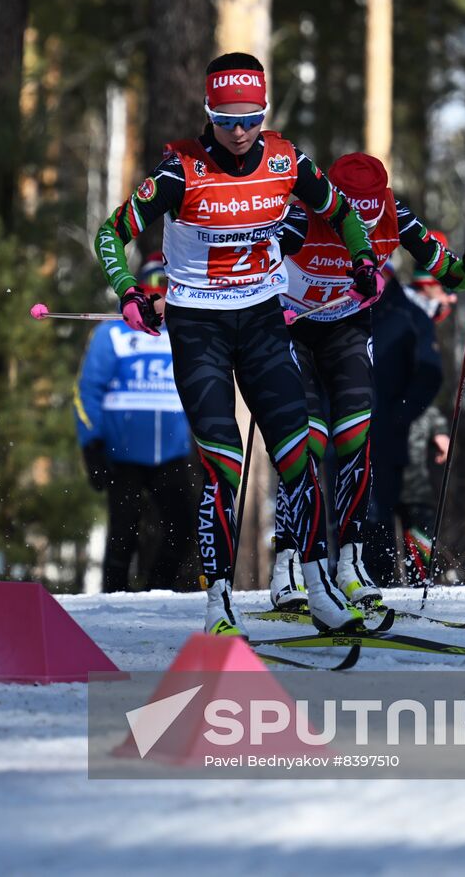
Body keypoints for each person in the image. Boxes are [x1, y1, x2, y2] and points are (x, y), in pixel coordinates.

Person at [93, 51, 385, 635]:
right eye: (227, 120)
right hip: (198, 326)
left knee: (297, 454)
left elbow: (342, 210)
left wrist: (363, 259)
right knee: (223, 461)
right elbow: (111, 232)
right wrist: (128, 291)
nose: (240, 131)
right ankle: (219, 600)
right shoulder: (180, 171)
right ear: (209, 112)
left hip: (260, 320)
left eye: (251, 117)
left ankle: (319, 585)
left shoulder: (285, 159)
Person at [268, 154, 465, 611]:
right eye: (356, 218)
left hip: (347, 331)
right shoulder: (300, 216)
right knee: (306, 443)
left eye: (372, 217)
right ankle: (288, 564)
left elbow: (449, 276)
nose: (366, 231)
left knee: (355, 438)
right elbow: (248, 264)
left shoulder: (395, 214)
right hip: (295, 331)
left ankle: (350, 564)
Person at [75, 253, 196, 592]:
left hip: (170, 452)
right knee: (123, 532)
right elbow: (87, 391)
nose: (160, 301)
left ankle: (158, 589)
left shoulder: (183, 333)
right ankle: (111, 597)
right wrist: (91, 444)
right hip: (123, 452)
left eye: (167, 291)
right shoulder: (112, 333)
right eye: (153, 292)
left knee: (182, 526)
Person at [361, 252, 449, 583]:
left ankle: (419, 581)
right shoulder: (349, 309)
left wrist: (401, 415)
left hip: (397, 434)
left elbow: (429, 376)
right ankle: (369, 583)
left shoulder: (409, 316)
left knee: (407, 508)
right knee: (363, 513)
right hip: (352, 432)